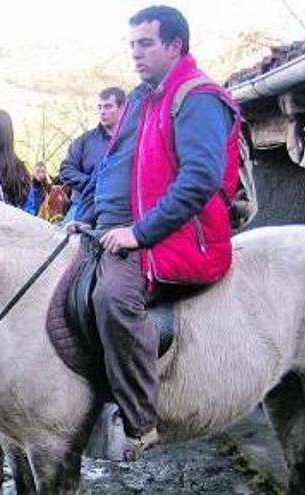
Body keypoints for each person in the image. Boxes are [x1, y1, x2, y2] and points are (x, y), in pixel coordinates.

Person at [76, 5, 242, 461]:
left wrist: (138, 233)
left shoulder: (197, 96)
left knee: (112, 297)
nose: (135, 53)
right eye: (131, 45)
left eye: (145, 43)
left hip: (182, 235)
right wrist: (87, 216)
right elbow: (114, 168)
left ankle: (140, 419)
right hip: (127, 225)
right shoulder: (145, 97)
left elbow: (200, 178)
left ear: (175, 45)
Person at [59, 87, 126, 221]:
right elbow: (66, 169)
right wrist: (92, 185)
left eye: (108, 107)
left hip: (119, 210)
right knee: (62, 238)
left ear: (122, 107)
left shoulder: (135, 140)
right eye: (100, 107)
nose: (102, 112)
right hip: (82, 205)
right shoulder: (85, 140)